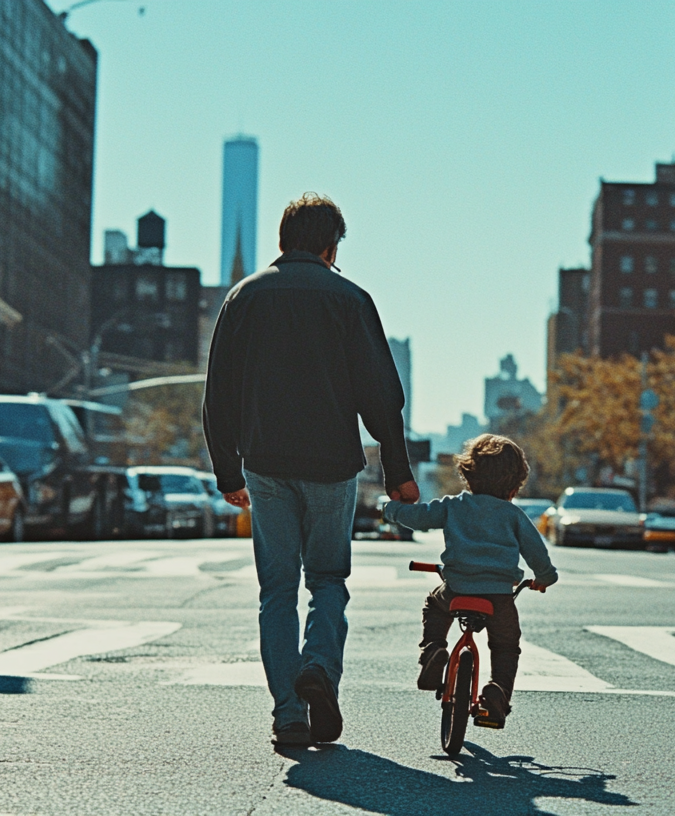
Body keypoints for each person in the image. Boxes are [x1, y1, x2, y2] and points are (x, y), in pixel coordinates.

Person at [203, 193, 417, 748]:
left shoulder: (243, 297)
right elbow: (381, 395)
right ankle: (318, 666)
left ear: (282, 240)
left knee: (276, 590)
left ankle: (288, 714)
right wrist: (397, 471)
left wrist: (227, 471)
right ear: (330, 245)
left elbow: (218, 392)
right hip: (331, 465)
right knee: (327, 581)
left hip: (265, 464)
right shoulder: (350, 299)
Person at [381, 434, 558, 730]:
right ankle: (497, 694)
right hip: (499, 597)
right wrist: (545, 578)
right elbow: (536, 553)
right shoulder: (513, 515)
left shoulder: (453, 506)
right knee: (505, 646)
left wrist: (392, 510)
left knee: (434, 605)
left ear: (467, 476)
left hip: (456, 589)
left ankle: (434, 651)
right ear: (514, 487)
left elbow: (419, 518)